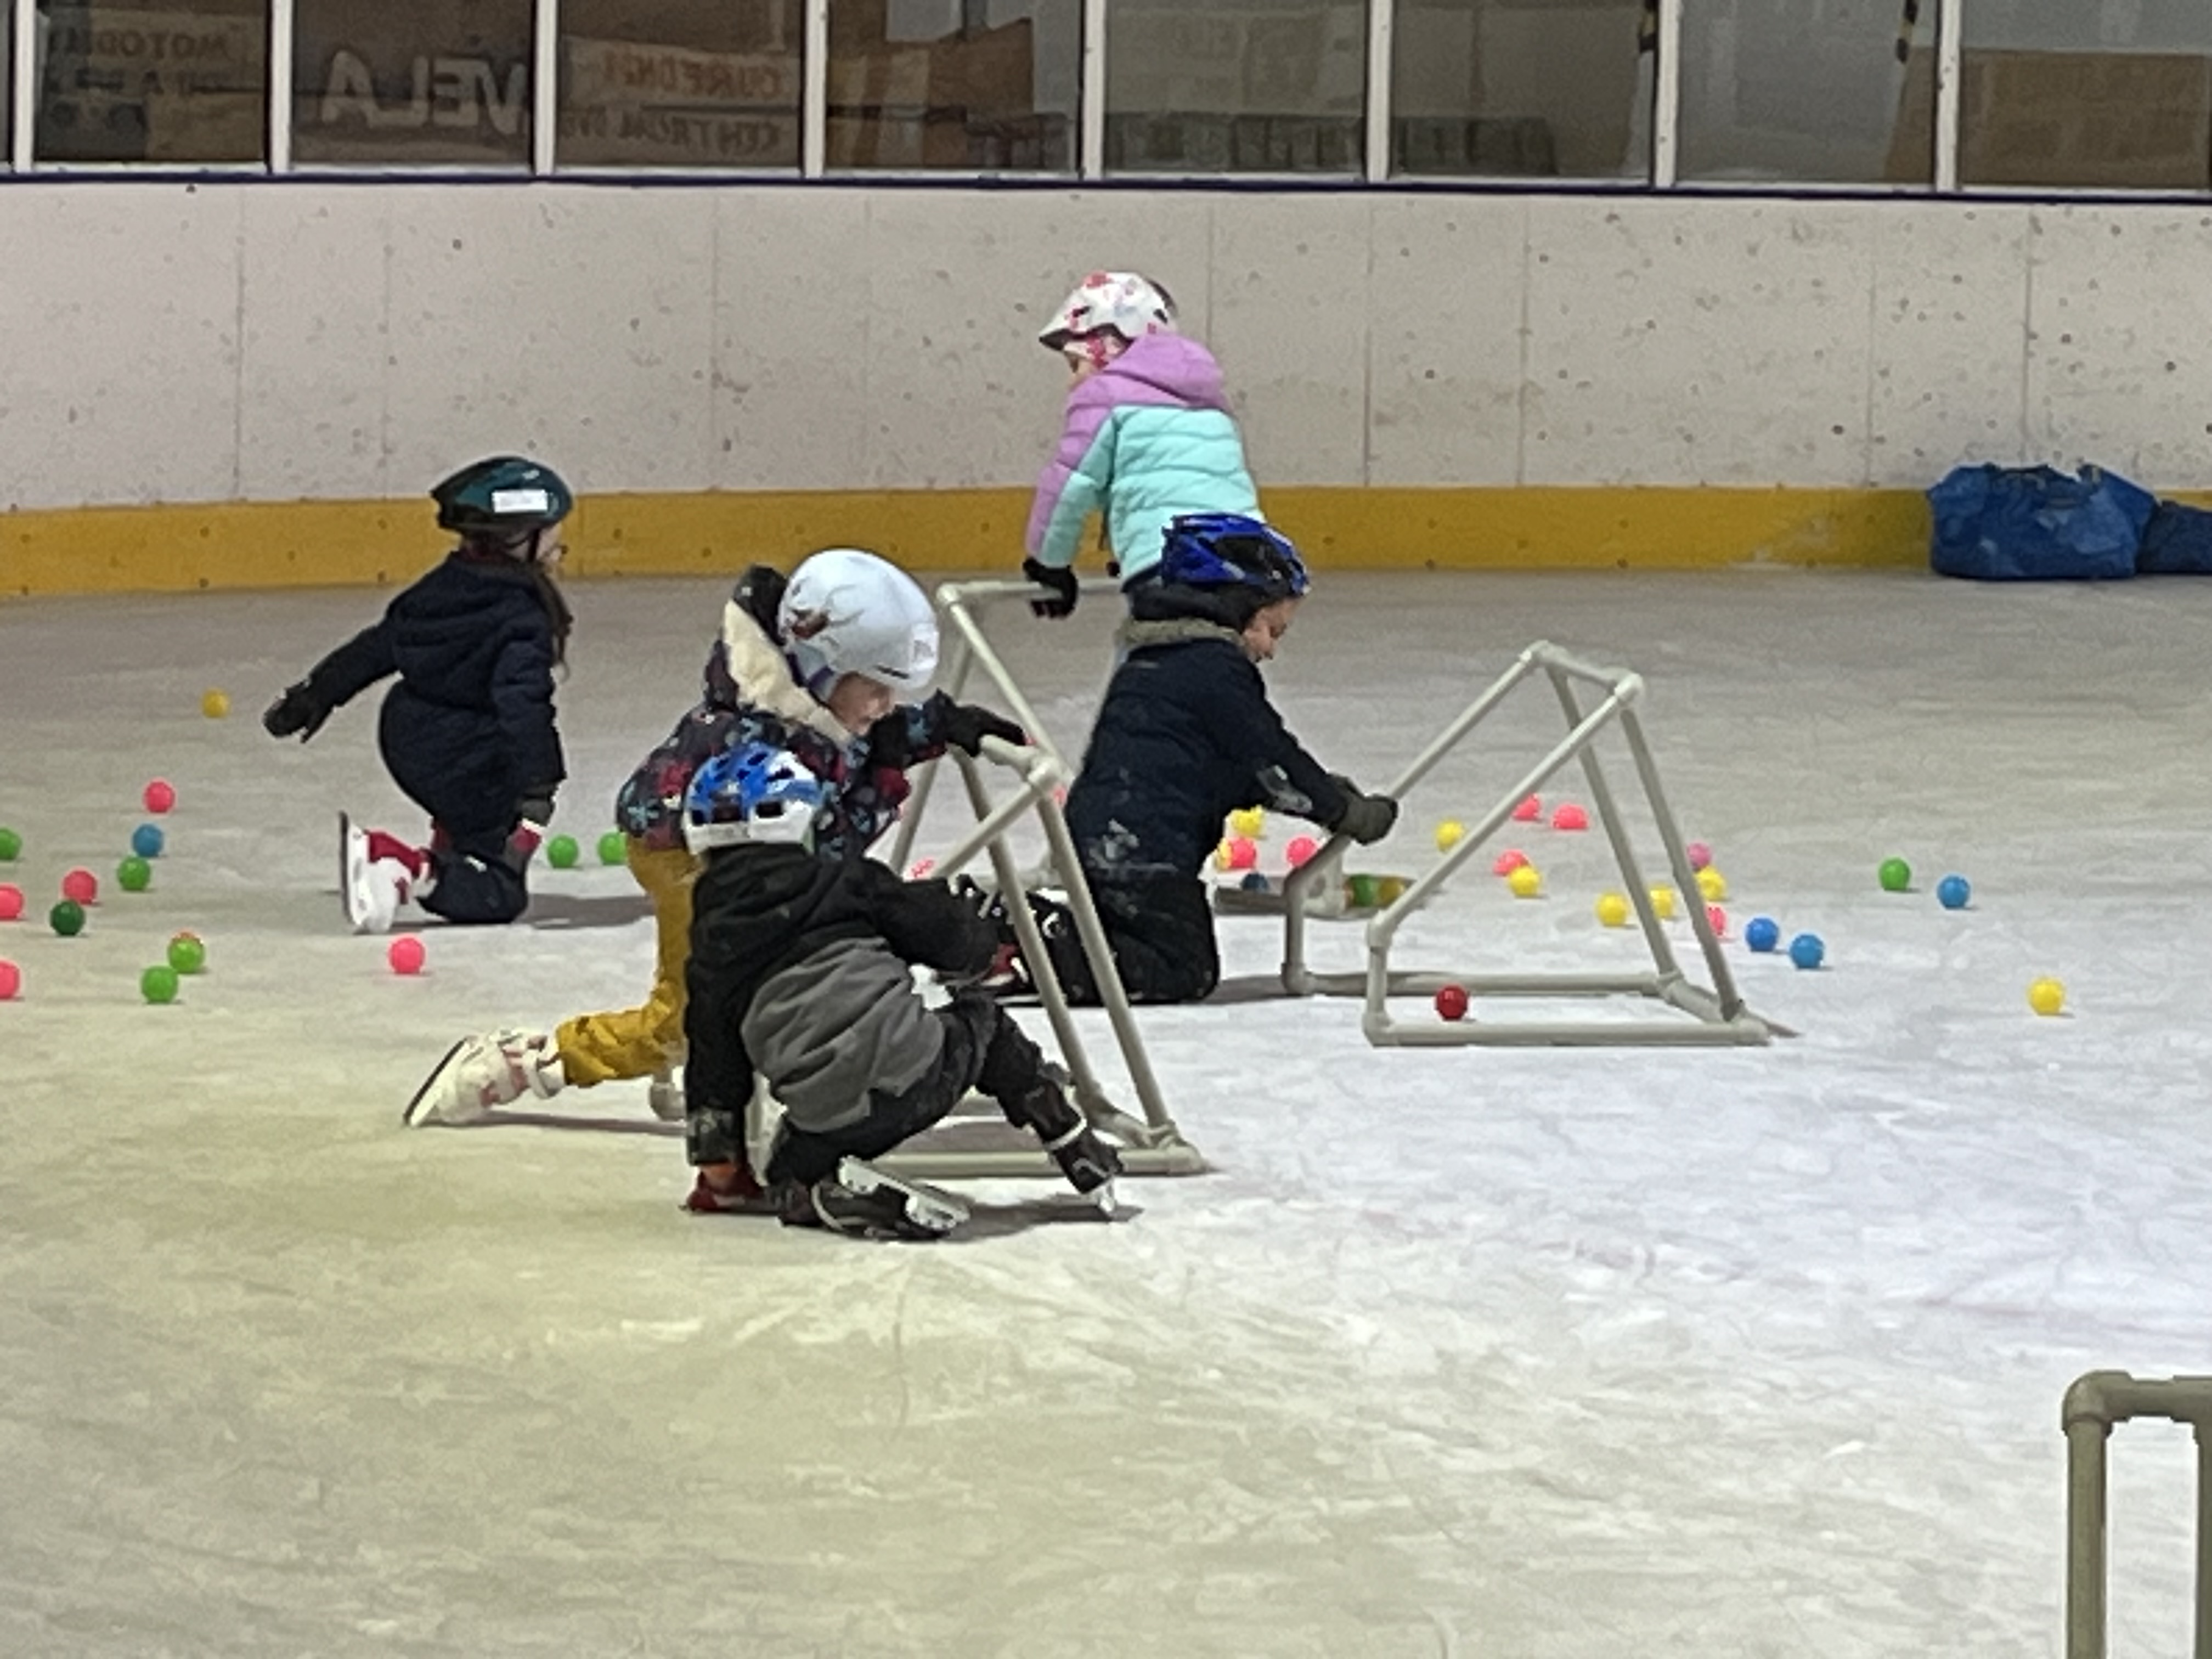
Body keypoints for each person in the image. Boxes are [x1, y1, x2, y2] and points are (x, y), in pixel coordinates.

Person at [402, 548, 1026, 1127]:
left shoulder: (805, 703)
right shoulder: (766, 747)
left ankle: (689, 1066)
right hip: (686, 856)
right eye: (877, 688)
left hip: (698, 834)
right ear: (823, 669)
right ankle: (523, 1062)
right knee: (686, 1017)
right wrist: (885, 780)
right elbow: (818, 866)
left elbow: (861, 737)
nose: (887, 705)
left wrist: (938, 726)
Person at [676, 741, 1121, 1240]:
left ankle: (817, 1193)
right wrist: (976, 942)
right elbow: (948, 938)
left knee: (787, 1172)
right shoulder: (846, 880)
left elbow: (714, 1064)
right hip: (921, 1072)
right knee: (986, 1024)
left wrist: (720, 1169)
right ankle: (1069, 1137)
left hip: (832, 1117)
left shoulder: (712, 954)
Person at [986, 514, 1398, 1006]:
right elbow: (1269, 755)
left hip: (1102, 838)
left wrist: (1320, 794)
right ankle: (1026, 945)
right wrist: (1343, 810)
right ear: (1237, 608)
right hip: (1145, 855)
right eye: (1272, 630)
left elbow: (1225, 768)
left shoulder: (1152, 661)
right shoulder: (1216, 671)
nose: (1270, 649)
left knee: (1122, 940)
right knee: (1183, 968)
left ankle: (1025, 940)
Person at [262, 455, 575, 934]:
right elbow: (523, 703)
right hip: (464, 753)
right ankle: (406, 865)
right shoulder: (520, 616)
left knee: (473, 824)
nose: (557, 541)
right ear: (518, 537)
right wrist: (539, 783)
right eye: (551, 531)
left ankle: (450, 847)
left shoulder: (441, 586)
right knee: (500, 893)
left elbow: (381, 645)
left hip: (408, 733)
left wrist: (317, 693)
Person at [1020, 271, 1263, 622]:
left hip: (1170, 562)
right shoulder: (1211, 405)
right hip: (1251, 557)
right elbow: (1181, 485)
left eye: (1076, 364)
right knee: (1223, 649)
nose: (1072, 381)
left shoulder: (1104, 397)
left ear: (1107, 351)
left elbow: (1070, 487)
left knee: (1160, 652)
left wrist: (1048, 563)